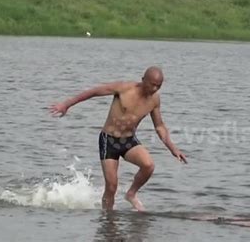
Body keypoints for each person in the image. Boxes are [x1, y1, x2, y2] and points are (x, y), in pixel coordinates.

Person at [50, 66, 187, 211]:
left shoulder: (154, 100)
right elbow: (93, 92)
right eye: (152, 84)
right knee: (111, 186)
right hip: (108, 140)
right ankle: (108, 217)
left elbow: (159, 126)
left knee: (148, 165)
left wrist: (173, 148)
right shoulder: (124, 88)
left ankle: (131, 194)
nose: (154, 89)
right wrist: (66, 104)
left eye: (158, 86)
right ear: (143, 80)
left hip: (128, 141)